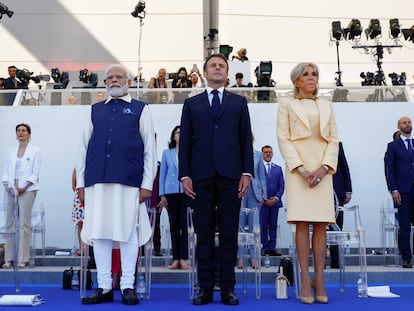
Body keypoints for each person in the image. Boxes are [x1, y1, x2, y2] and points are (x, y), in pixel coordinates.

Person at [76, 64, 157, 305]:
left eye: (118, 76)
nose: (113, 80)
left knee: (128, 232)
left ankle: (127, 285)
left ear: (128, 82)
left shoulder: (141, 109)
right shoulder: (94, 110)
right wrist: (80, 183)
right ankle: (103, 286)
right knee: (99, 233)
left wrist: (147, 184)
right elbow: (82, 149)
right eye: (109, 77)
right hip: (96, 181)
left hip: (129, 182)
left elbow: (150, 151)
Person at [179, 53, 254, 305]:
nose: (218, 68)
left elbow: (245, 140)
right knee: (204, 235)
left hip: (231, 176)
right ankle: (205, 288)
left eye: (222, 65)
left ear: (227, 72)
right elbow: (185, 143)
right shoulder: (192, 104)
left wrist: (246, 172)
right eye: (213, 65)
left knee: (230, 234)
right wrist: (185, 175)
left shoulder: (239, 103)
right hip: (200, 177)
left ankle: (228, 288)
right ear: (205, 72)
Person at [277, 62, 339, 304]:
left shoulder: (327, 105)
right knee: (302, 223)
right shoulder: (286, 104)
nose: (311, 78)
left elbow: (334, 139)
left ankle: (320, 279)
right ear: (296, 80)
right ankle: (304, 278)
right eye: (306, 74)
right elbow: (283, 138)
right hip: (298, 170)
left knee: (322, 223)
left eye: (314, 74)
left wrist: (323, 169)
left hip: (323, 169)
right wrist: (302, 170)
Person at [2, 123, 41, 269]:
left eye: (24, 130)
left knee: (24, 224)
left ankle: (22, 259)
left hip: (28, 188)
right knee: (9, 223)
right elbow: (6, 170)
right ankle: (8, 258)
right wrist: (7, 185)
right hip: (11, 188)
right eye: (18, 130)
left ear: (29, 134)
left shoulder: (35, 151)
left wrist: (24, 187)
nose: (21, 132)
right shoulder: (10, 151)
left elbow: (35, 172)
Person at [158, 125, 190, 270]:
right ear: (173, 136)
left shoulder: (189, 153)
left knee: (185, 226)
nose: (180, 135)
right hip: (171, 193)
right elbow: (162, 174)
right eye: (178, 132)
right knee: (174, 226)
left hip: (186, 192)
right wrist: (162, 195)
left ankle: (183, 258)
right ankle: (175, 258)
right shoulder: (167, 153)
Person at [385, 116, 414, 269]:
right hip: (403, 192)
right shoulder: (393, 146)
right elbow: (389, 169)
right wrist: (393, 189)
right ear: (398, 126)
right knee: (404, 226)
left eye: (409, 122)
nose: (407, 124)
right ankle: (406, 258)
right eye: (404, 122)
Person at [237, 135, 267, 269]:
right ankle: (241, 257)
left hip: (254, 192)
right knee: (240, 226)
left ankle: (254, 257)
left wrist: (263, 195)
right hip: (239, 191)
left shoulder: (258, 155)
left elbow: (262, 176)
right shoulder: (235, 153)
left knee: (254, 226)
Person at [329, 142, 352, 268]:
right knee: (320, 228)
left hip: (337, 191)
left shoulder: (337, 144)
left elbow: (344, 167)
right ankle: (320, 261)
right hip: (317, 192)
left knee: (336, 228)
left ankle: (335, 260)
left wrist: (348, 189)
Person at [260, 145, 284, 256]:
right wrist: (263, 199)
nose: (268, 154)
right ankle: (265, 247)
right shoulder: (258, 168)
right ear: (262, 154)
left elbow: (282, 186)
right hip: (262, 203)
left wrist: (276, 198)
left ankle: (272, 248)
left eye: (270, 152)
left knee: (273, 225)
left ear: (272, 153)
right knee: (263, 225)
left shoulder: (278, 168)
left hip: (275, 203)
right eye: (266, 152)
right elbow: (256, 185)